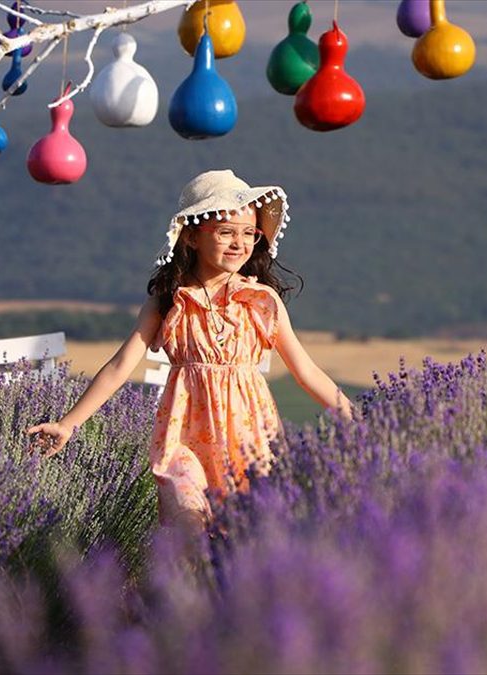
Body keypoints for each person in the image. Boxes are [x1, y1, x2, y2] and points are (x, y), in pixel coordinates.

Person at [27, 169, 353, 535]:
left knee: (249, 539)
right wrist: (68, 424)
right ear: (193, 237)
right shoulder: (167, 300)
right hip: (183, 437)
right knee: (188, 528)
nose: (239, 243)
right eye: (226, 232)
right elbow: (120, 366)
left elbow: (306, 372)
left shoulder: (261, 300)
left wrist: (357, 419)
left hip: (251, 438)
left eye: (249, 233)